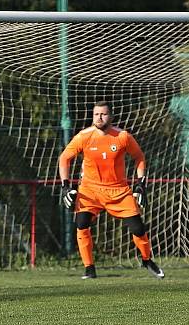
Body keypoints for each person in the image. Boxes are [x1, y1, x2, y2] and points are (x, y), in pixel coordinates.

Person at [58, 100, 164, 280]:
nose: (99, 118)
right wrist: (65, 186)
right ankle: (89, 268)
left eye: (103, 114)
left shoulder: (122, 136)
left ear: (111, 116)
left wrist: (140, 183)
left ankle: (147, 260)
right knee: (81, 224)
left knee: (138, 228)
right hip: (90, 191)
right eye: (96, 114)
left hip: (119, 191)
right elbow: (64, 159)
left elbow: (139, 157)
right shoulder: (83, 136)